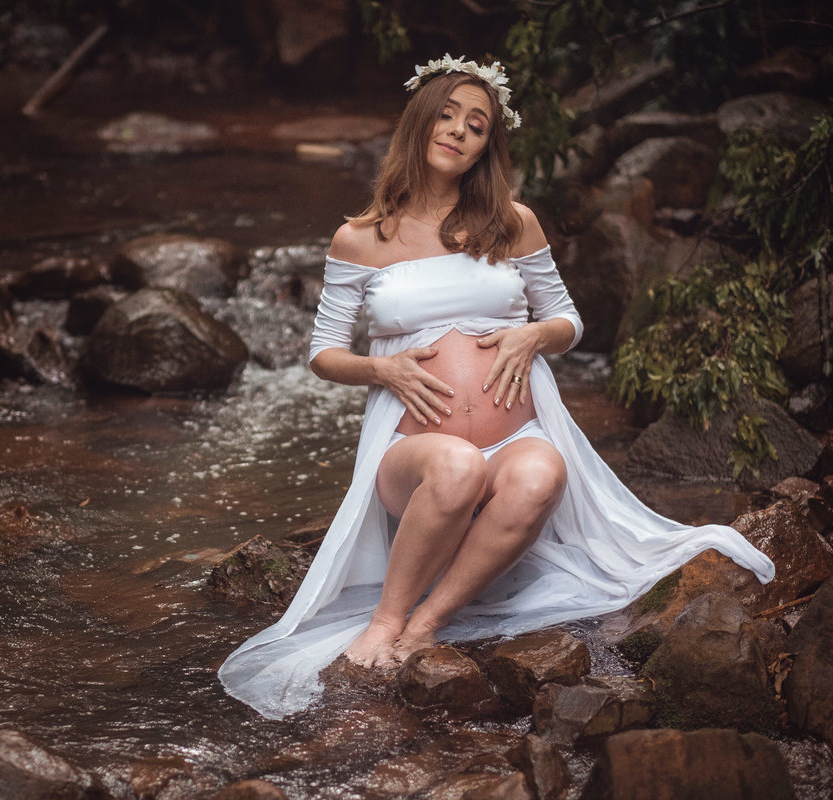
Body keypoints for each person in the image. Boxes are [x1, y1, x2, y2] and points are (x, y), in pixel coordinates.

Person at [219, 55, 776, 721]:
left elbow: (568, 319)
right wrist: (384, 369)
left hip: (517, 434)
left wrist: (532, 336)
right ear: (419, 123)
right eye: (447, 116)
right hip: (415, 454)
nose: (459, 131)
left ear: (488, 143)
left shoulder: (512, 222)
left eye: (477, 125)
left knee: (543, 473)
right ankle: (383, 621)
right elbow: (323, 355)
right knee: (455, 466)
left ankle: (426, 624)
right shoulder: (362, 238)